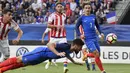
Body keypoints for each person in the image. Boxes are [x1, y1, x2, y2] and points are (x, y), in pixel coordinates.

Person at [0, 39, 84, 73]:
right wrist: (57, 53)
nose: (81, 49)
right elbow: (49, 44)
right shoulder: (65, 46)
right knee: (19, 60)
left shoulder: (70, 50)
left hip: (42, 58)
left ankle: (2, 70)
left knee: (22, 64)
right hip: (40, 53)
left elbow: (67, 55)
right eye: (80, 47)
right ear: (76, 45)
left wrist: (75, 62)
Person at [75, 3, 106, 73]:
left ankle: (87, 54)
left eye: (89, 8)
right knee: (96, 53)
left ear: (91, 9)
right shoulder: (81, 18)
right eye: (86, 8)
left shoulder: (93, 16)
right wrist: (80, 35)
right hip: (88, 39)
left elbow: (97, 26)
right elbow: (76, 27)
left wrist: (101, 33)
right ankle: (103, 71)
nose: (87, 9)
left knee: (98, 55)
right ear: (83, 9)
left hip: (95, 38)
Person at [46, 2, 68, 73]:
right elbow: (48, 25)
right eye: (58, 6)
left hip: (62, 37)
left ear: (62, 8)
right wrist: (56, 26)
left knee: (66, 51)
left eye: (60, 6)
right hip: (54, 36)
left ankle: (65, 68)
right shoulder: (52, 15)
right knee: (50, 51)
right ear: (55, 8)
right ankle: (49, 61)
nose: (59, 8)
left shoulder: (64, 15)